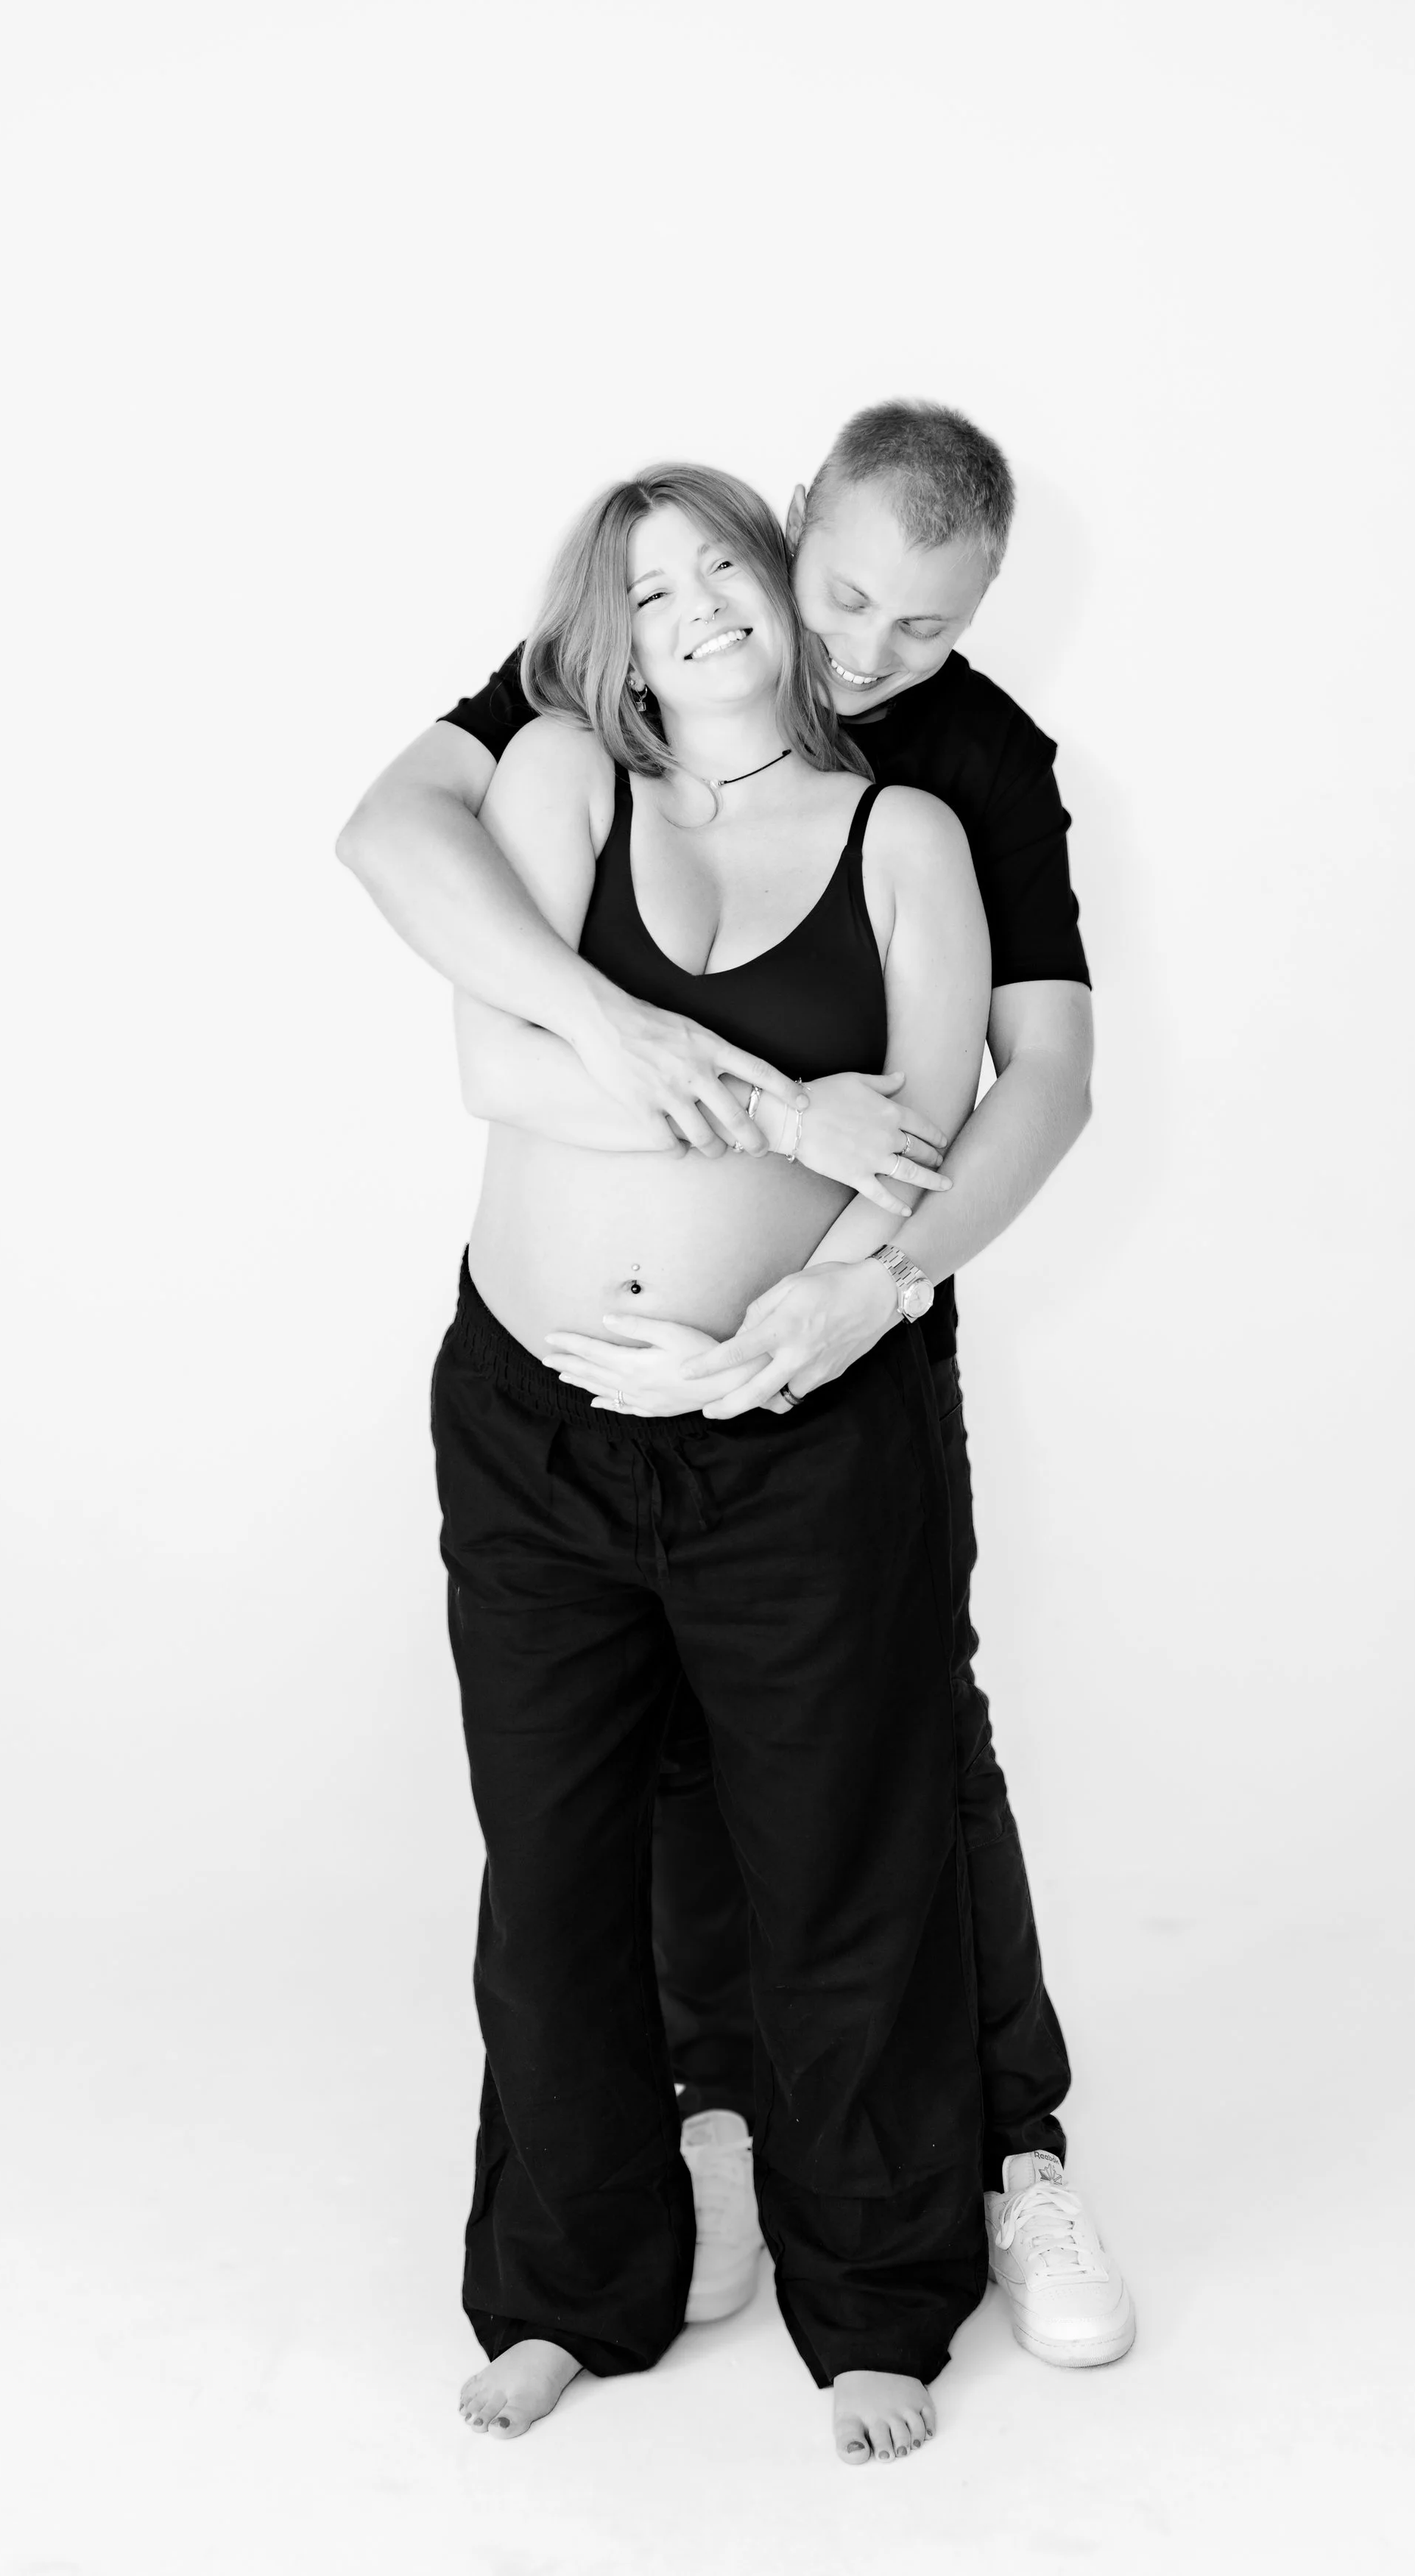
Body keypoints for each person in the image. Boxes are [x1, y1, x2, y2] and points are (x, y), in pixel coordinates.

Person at [338, 402, 1135, 2374]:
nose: (867, 650)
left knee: (893, 1771)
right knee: (609, 1815)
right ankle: (690, 2143)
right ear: (788, 540)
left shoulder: (961, 774)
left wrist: (868, 1285)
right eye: (840, 593)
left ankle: (996, 2161)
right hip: (544, 1408)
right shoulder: (611, 700)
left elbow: (1030, 1082)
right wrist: (687, 1062)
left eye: (924, 625)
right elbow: (398, 845)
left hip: (830, 1366)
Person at [426, 462, 994, 2462]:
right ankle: (567, 2288)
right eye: (646, 588)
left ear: (781, 573)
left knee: (838, 1865)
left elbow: (926, 1121)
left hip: (792, 1430)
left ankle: (879, 2298)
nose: (694, 606)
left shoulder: (905, 831)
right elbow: (497, 1060)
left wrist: (791, 1325)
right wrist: (783, 1107)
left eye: (720, 563)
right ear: (616, 633)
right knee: (554, 1871)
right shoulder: (566, 781)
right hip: (537, 1422)